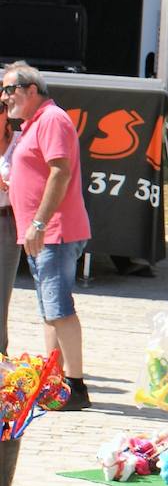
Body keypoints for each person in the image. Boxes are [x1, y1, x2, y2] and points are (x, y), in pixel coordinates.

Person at [2, 63, 91, 411]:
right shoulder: (34, 123)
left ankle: (77, 387)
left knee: (60, 309)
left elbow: (60, 171)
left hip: (54, 231)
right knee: (50, 311)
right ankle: (55, 382)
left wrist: (38, 223)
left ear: (31, 89)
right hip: (41, 233)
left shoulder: (52, 119)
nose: (5, 97)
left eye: (10, 89)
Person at [0, 116, 22, 354]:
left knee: (1, 291)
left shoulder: (20, 141)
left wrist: (7, 185)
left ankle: (0, 354)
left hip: (7, 219)